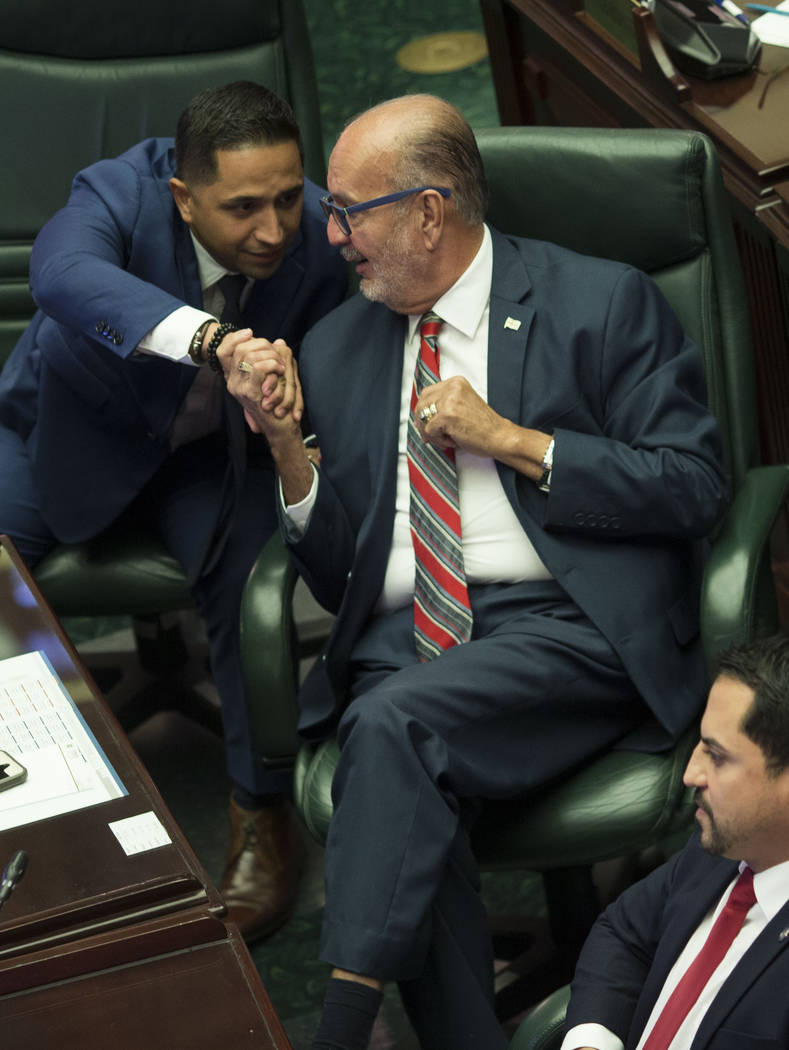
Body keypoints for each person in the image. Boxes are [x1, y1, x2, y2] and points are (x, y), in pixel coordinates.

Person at [226, 94, 728, 1049]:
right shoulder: (339, 346)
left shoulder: (598, 300)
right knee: (412, 783)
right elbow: (337, 579)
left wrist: (513, 440)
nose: (330, 237)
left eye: (349, 210)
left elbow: (694, 486)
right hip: (404, 640)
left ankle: (339, 1024)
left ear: (428, 209)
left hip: (563, 623)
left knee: (393, 728)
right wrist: (288, 448)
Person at [0, 80, 348, 941]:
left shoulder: (320, 229)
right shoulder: (119, 190)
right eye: (241, 209)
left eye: (284, 199)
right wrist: (215, 341)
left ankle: (261, 814)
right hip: (64, 437)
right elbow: (63, 273)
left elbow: (352, 346)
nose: (272, 230)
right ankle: (31, 809)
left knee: (248, 596)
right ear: (183, 197)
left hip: (210, 458)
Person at [560, 632, 789, 1049]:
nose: (690, 774)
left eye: (717, 756)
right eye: (699, 744)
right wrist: (593, 1040)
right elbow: (624, 932)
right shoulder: (720, 849)